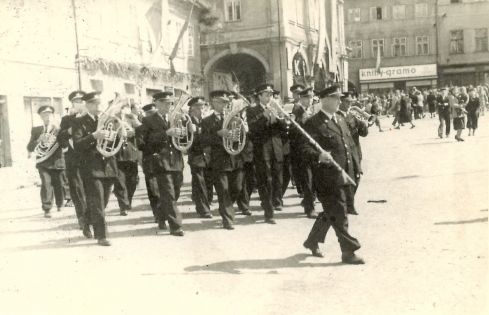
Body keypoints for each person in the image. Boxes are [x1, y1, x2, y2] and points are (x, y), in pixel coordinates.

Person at [301, 85, 364, 264]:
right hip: (327, 178)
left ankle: (312, 241)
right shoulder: (313, 123)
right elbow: (303, 149)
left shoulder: (340, 119)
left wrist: (356, 168)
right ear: (325, 99)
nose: (339, 101)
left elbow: (349, 145)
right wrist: (318, 155)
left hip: (345, 173)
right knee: (340, 212)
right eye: (336, 98)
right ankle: (348, 251)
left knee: (331, 212)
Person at [72, 91, 117, 246]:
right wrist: (93, 136)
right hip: (91, 167)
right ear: (88, 105)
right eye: (95, 104)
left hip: (108, 166)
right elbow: (77, 144)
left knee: (102, 202)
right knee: (97, 202)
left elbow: (115, 139)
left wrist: (113, 137)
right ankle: (102, 236)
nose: (99, 107)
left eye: (99, 104)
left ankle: (86, 219)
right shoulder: (79, 122)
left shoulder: (106, 120)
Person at [138, 91, 186, 236]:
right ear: (157, 104)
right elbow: (142, 143)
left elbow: (183, 139)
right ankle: (176, 226)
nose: (169, 105)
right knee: (169, 194)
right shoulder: (148, 120)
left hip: (176, 160)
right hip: (161, 161)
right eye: (165, 103)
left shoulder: (177, 118)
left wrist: (185, 131)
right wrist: (166, 134)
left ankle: (160, 214)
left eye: (170, 103)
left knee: (175, 192)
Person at [201, 90, 244, 229]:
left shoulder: (234, 118)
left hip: (234, 159)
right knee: (223, 189)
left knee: (236, 187)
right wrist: (218, 134)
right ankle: (228, 218)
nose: (224, 105)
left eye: (226, 102)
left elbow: (242, 137)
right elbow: (203, 140)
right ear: (213, 103)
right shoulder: (207, 121)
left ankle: (225, 208)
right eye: (220, 102)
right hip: (219, 160)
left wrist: (238, 135)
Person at [247, 84, 287, 224]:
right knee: (265, 180)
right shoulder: (252, 110)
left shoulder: (276, 108)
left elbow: (284, 130)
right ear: (259, 96)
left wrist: (280, 119)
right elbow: (252, 129)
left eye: (271, 94)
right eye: (266, 94)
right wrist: (264, 117)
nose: (269, 97)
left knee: (278, 179)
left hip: (276, 149)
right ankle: (268, 212)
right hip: (262, 150)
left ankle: (276, 202)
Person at [57, 90, 91, 236]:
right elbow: (60, 137)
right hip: (74, 161)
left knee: (92, 192)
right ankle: (83, 222)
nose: (79, 103)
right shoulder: (66, 119)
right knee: (78, 192)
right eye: (76, 101)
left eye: (82, 101)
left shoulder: (90, 118)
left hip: (90, 160)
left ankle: (91, 218)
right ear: (72, 103)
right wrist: (70, 132)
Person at [27, 105, 66, 218]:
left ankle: (59, 204)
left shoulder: (58, 129)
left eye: (49, 114)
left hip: (57, 161)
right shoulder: (36, 130)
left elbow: (64, 145)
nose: (47, 116)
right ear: (40, 116)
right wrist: (39, 140)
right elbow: (30, 147)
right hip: (43, 162)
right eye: (44, 114)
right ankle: (47, 208)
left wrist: (61, 135)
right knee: (46, 184)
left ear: (52, 115)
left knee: (59, 184)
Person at [338, 92, 369, 215]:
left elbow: (364, 134)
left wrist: (364, 123)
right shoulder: (336, 116)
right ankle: (347, 204)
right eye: (347, 102)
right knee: (344, 178)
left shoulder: (353, 116)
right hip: (343, 152)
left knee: (356, 176)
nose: (349, 104)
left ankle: (349, 203)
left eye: (350, 102)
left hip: (355, 151)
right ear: (340, 102)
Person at [290, 87, 317, 218]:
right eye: (307, 98)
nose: (310, 100)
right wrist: (303, 121)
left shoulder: (312, 110)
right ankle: (309, 208)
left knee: (315, 178)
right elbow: (292, 128)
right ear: (301, 98)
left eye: (311, 97)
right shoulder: (297, 110)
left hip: (314, 148)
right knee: (308, 179)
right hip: (302, 149)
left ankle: (307, 201)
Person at [187, 96, 213, 219]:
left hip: (208, 155)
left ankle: (204, 204)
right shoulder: (186, 121)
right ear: (191, 109)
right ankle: (204, 209)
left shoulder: (206, 121)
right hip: (195, 155)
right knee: (199, 182)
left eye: (202, 107)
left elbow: (211, 136)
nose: (201, 109)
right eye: (198, 107)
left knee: (208, 182)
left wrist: (198, 130)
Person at [113, 102, 140, 216]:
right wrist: (118, 133)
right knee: (120, 182)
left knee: (132, 181)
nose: (122, 111)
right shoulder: (112, 120)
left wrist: (133, 131)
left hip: (131, 153)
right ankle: (123, 206)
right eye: (121, 108)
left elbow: (141, 130)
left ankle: (128, 200)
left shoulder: (131, 119)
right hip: (117, 154)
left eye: (125, 108)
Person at [136, 103, 161, 224]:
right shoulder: (140, 129)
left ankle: (164, 211)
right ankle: (158, 214)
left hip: (164, 162)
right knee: (154, 191)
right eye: (149, 114)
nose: (151, 116)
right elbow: (141, 145)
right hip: (150, 162)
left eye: (153, 113)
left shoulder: (162, 126)